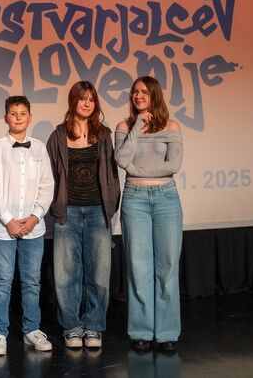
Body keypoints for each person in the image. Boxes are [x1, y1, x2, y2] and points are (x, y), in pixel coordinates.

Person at [47, 81, 121, 350]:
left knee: (99, 273)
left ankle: (94, 326)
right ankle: (71, 327)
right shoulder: (58, 135)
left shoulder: (104, 134)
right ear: (73, 101)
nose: (87, 103)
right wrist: (56, 206)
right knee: (66, 274)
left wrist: (111, 205)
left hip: (98, 212)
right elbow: (49, 175)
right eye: (82, 98)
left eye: (91, 99)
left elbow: (112, 174)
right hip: (68, 212)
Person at [0, 95, 55, 356]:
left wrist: (35, 217)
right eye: (13, 113)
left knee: (32, 281)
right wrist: (9, 220)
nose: (18, 117)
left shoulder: (39, 148)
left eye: (23, 113)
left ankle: (31, 329)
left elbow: (47, 186)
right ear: (5, 118)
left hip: (34, 227)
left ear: (30, 117)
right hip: (3, 228)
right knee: (2, 281)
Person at [114, 76, 184, 352]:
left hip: (166, 199)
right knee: (138, 266)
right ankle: (141, 331)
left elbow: (173, 165)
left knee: (167, 267)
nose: (138, 96)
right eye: (134, 92)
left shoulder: (171, 126)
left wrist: (137, 170)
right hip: (135, 199)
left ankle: (167, 333)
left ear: (154, 95)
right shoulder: (124, 126)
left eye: (144, 92)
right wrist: (137, 126)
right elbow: (122, 160)